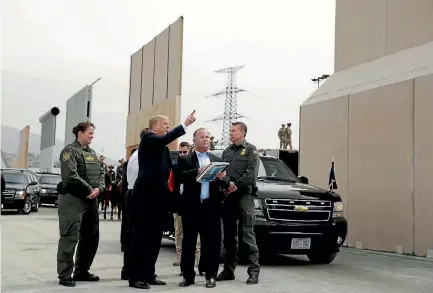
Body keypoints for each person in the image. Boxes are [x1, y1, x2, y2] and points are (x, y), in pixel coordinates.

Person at [128, 112, 196, 289]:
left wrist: (193, 171)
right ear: (154, 126)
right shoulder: (149, 140)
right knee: (141, 239)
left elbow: (171, 171)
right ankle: (135, 277)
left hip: (159, 199)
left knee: (154, 239)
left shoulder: (164, 149)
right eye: (164, 124)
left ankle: (149, 274)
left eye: (168, 124)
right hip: (144, 198)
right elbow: (165, 138)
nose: (167, 126)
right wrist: (184, 125)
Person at [177, 128, 230, 288]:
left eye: (207, 137)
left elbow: (226, 183)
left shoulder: (216, 159)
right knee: (189, 242)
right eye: (202, 137)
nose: (206, 139)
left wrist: (223, 178)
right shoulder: (185, 159)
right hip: (192, 207)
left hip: (211, 206)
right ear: (194, 140)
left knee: (211, 243)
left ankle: (210, 275)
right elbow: (180, 176)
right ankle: (188, 276)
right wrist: (197, 171)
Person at [56, 122, 105, 287]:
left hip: (91, 200)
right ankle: (64, 275)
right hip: (73, 199)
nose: (92, 136)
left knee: (91, 237)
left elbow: (101, 173)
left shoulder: (92, 153)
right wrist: (89, 189)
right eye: (90, 133)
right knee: (69, 237)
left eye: (93, 133)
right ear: (80, 133)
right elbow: (70, 175)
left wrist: (99, 189)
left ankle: (82, 271)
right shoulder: (69, 151)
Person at [216, 121, 260, 285]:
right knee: (228, 236)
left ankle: (253, 272)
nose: (231, 133)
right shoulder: (227, 151)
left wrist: (235, 185)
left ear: (242, 132)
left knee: (247, 234)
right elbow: (221, 172)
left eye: (234, 131)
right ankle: (228, 270)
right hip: (228, 197)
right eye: (230, 131)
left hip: (244, 197)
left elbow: (251, 174)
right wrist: (227, 183)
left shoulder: (250, 150)